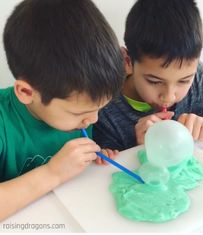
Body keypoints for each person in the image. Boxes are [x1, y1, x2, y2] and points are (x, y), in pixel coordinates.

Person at [0, 0, 124, 220]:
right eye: (79, 114)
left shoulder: (76, 106)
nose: (93, 120)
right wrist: (53, 173)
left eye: (99, 109)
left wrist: (94, 159)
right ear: (26, 92)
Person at [93, 0, 203, 151]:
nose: (168, 97)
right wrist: (139, 148)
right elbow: (106, 167)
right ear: (127, 62)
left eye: (184, 81)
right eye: (154, 82)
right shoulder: (103, 107)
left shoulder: (200, 79)